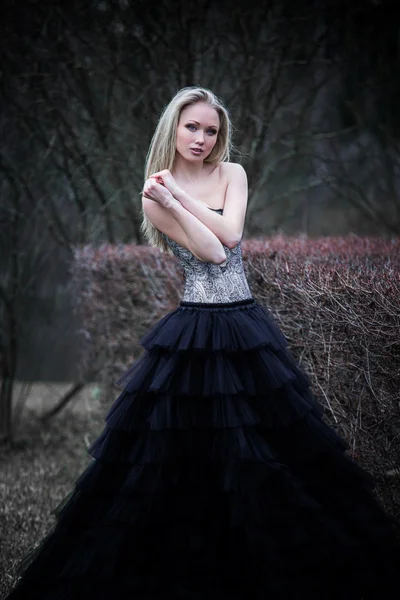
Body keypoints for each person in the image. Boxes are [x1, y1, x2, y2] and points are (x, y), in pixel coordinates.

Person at [5, 86, 400, 600]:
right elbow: (213, 252)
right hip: (195, 330)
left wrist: (180, 197)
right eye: (192, 126)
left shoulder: (230, 174)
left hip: (246, 327)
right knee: (180, 459)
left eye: (211, 130)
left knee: (271, 453)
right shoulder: (152, 196)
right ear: (173, 126)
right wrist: (168, 199)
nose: (201, 138)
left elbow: (233, 234)